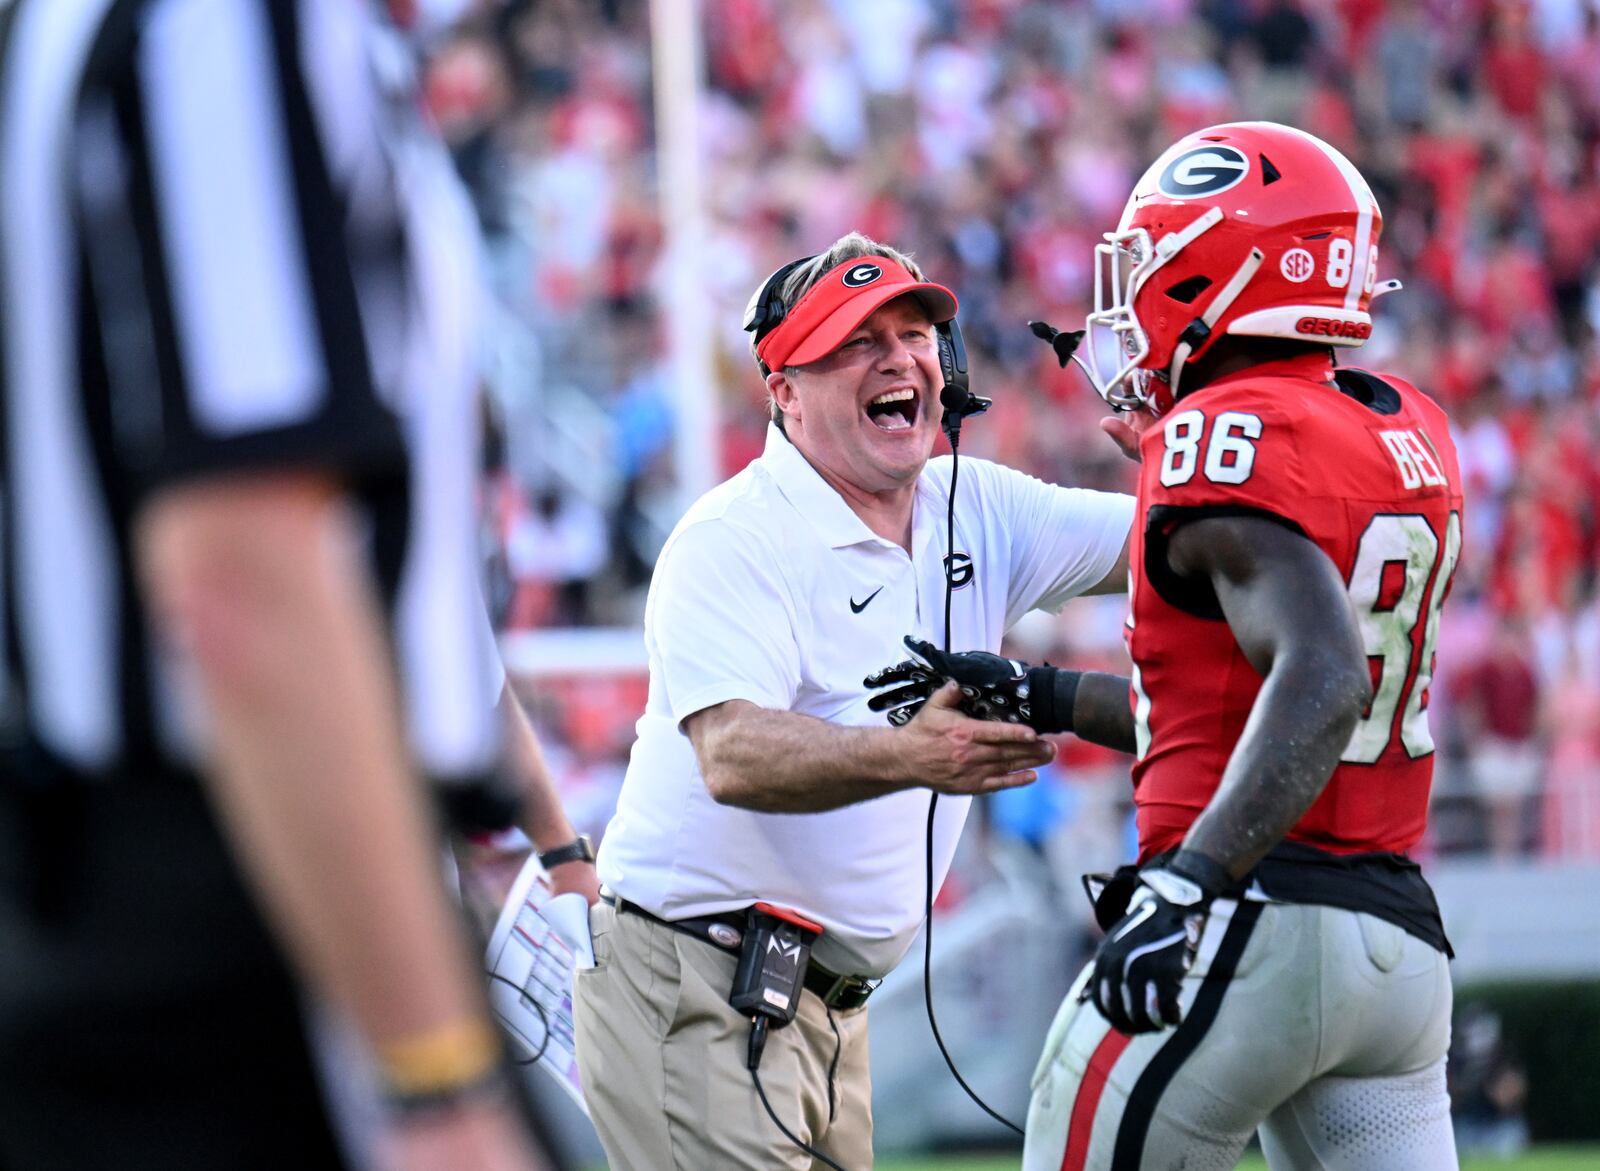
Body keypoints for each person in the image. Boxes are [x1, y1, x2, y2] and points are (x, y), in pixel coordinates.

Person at [0, 3, 555, 1169]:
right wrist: (431, 1076)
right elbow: (239, 573)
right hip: (237, 904)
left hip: (173, 888)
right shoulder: (226, 26)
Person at [868, 122, 1464, 1170]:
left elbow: (1321, 681)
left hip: (1250, 917)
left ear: (1222, 268)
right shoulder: (1400, 423)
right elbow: (1230, 711)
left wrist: (1187, 883)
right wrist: (1039, 692)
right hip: (1393, 944)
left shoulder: (1217, 434)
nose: (1130, 294)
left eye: (1149, 261)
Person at [571, 231, 1134, 1170]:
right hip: (696, 983)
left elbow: (1180, 540)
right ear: (783, 391)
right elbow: (734, 754)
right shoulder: (733, 538)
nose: (899, 356)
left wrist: (1192, 456)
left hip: (823, 1009)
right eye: (855, 341)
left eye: (915, 332)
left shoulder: (978, 506)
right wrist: (909, 754)